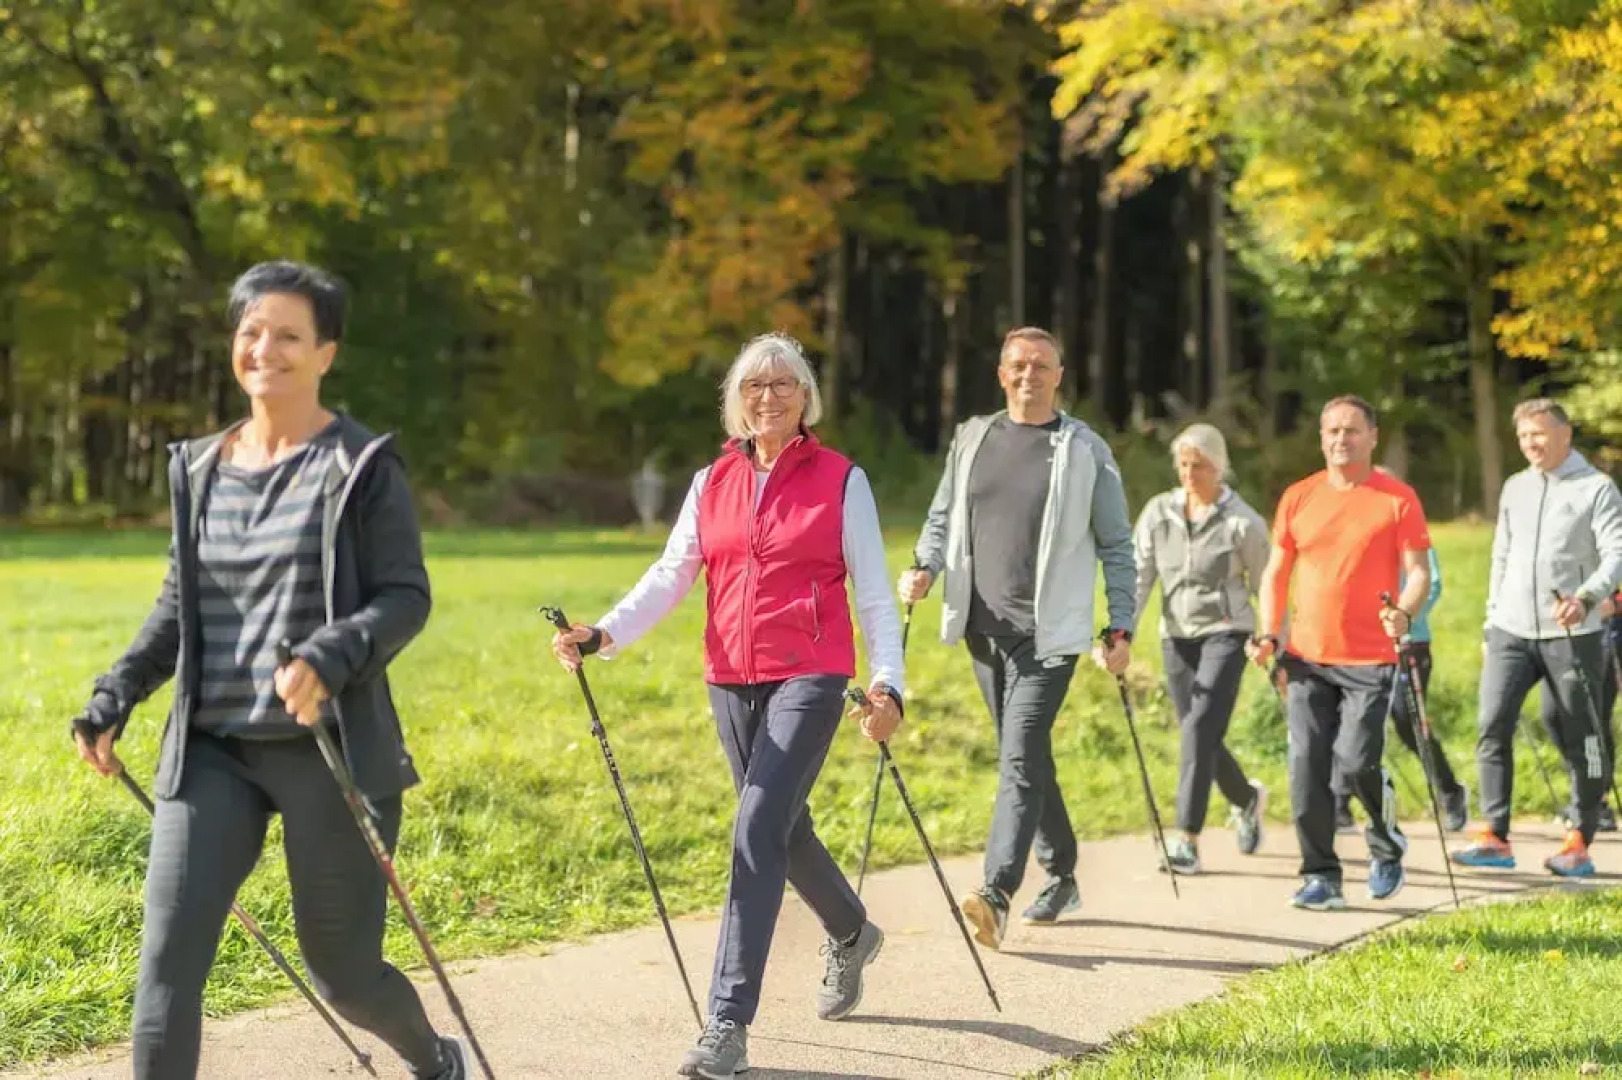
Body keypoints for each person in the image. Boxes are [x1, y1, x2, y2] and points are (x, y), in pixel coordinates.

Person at [69, 261, 469, 1080]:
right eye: (251, 331)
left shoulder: (360, 465)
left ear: (326, 351)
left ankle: (432, 1058)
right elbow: (179, 610)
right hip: (213, 750)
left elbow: (405, 597)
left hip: (327, 749)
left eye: (289, 334)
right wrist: (116, 695)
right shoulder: (201, 470)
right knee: (167, 968)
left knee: (344, 973)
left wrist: (330, 654)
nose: (266, 348)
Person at [549, 332, 904, 1080]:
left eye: (782, 384)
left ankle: (727, 1024)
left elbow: (873, 592)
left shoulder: (843, 480)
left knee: (754, 827)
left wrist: (888, 683)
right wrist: (604, 631)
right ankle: (851, 932)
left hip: (810, 671)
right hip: (728, 677)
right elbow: (672, 571)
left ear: (806, 397)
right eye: (753, 386)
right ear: (736, 402)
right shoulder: (712, 480)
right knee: (780, 825)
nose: (767, 396)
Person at [899, 326, 1134, 949]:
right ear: (1002, 374)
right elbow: (943, 514)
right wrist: (925, 565)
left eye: (1042, 365)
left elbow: (1116, 545)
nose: (1029, 374)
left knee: (1019, 754)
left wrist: (1121, 624)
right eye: (1017, 365)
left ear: (1060, 375)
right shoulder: (974, 437)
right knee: (1023, 754)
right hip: (982, 630)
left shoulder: (1083, 449)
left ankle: (996, 891)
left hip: (1048, 637)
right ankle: (1062, 875)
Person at [1248, 395, 1432, 911]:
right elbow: (1275, 573)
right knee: (1306, 765)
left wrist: (1405, 611)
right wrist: (1269, 633)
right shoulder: (1299, 497)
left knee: (1354, 763)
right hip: (1306, 657)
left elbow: (1419, 572)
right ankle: (1321, 874)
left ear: (1372, 436)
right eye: (1331, 430)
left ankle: (1386, 843)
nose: (1340, 439)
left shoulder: (1397, 499)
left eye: (1351, 430)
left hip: (1371, 658)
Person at [1453, 398, 1622, 878]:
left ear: (1565, 434)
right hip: (1510, 629)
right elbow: (1500, 558)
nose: (1531, 444)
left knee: (1580, 731)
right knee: (1492, 723)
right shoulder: (1515, 488)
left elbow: (1616, 554)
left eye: (1540, 434)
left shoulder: (1597, 489)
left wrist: (1587, 598)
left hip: (1573, 632)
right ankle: (1494, 835)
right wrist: (1490, 621)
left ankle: (1579, 839)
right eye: (1524, 436)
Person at [1130, 422, 1269, 873]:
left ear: (1220, 467)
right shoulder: (1158, 513)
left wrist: (1270, 637)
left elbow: (1267, 584)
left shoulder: (1241, 522)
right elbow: (1139, 577)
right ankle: (1246, 799)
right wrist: (1121, 631)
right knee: (1200, 733)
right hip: (1176, 634)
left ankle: (1186, 840)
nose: (1190, 474)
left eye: (1200, 466)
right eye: (1184, 465)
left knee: (1198, 728)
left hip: (1227, 632)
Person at [1333, 543, 1470, 834]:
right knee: (1354, 718)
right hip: (1365, 647)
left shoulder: (1410, 532)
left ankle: (1450, 792)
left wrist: (1404, 618)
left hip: (1410, 643)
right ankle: (1340, 801)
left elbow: (1430, 583)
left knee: (1408, 722)